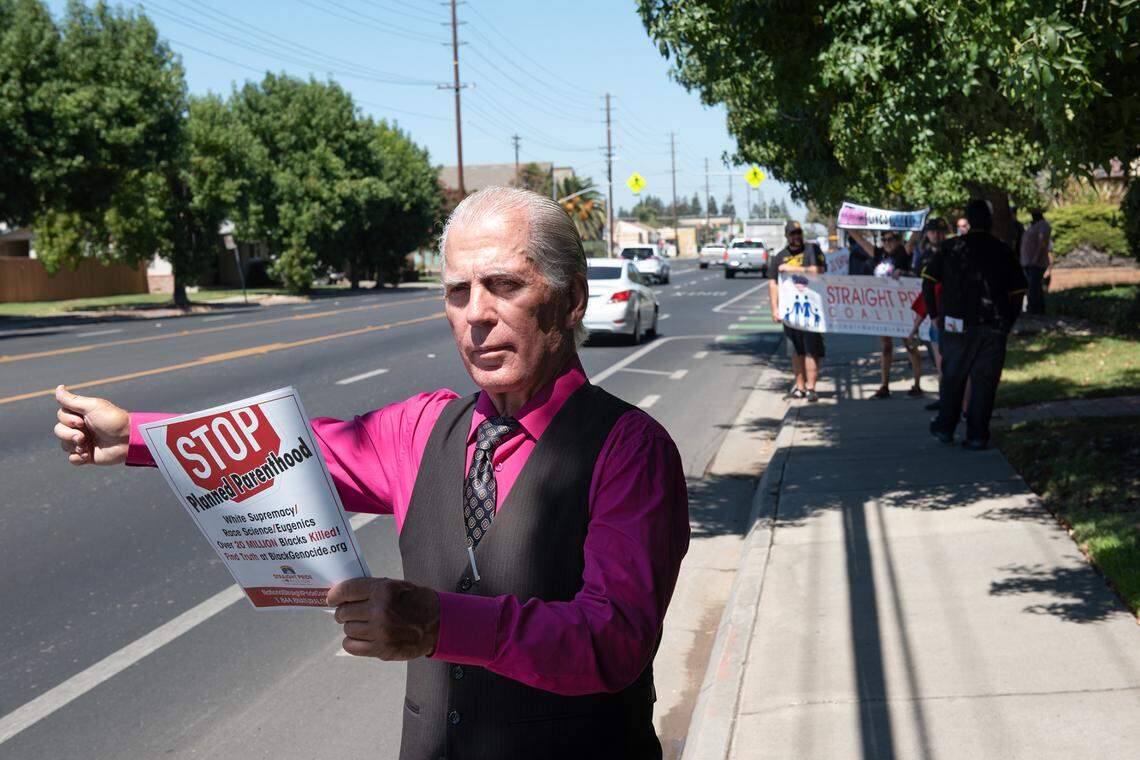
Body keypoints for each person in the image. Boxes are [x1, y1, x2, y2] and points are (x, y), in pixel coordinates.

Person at [52, 187, 689, 759]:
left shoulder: (629, 449)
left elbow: (615, 639)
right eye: (457, 291)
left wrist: (442, 625)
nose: (476, 315)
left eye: (505, 285)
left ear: (572, 298)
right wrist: (137, 435)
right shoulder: (420, 429)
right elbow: (289, 453)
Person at [923, 198, 1027, 449]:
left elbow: (928, 280)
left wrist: (934, 314)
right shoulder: (1002, 250)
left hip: (956, 325)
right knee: (984, 381)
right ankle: (978, 435)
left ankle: (946, 427)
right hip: (993, 325)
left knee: (953, 376)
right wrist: (1008, 321)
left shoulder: (951, 248)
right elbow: (1020, 289)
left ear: (967, 221)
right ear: (990, 222)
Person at [847, 229, 924, 399]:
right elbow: (860, 240)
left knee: (909, 345)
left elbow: (914, 237)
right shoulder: (877, 253)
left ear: (898, 240)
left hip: (903, 308)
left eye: (891, 239)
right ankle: (884, 385)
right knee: (885, 347)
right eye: (884, 239)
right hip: (883, 309)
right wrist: (848, 227)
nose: (887, 242)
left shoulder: (903, 252)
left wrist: (920, 221)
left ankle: (917, 385)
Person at [768, 220, 826, 402]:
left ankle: (811, 388)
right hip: (791, 312)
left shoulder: (812, 250)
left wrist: (792, 268)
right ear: (787, 236)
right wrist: (775, 309)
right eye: (792, 234)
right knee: (795, 351)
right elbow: (773, 283)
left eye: (798, 233)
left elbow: (819, 270)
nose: (796, 237)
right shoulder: (779, 257)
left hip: (812, 310)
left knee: (812, 350)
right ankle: (800, 387)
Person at [1020, 209, 1052, 314]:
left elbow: (1042, 244)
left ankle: (1034, 311)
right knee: (1034, 287)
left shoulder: (1043, 225)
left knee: (1034, 288)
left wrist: (1035, 259)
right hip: (1028, 262)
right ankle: (1037, 311)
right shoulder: (1034, 225)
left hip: (1036, 263)